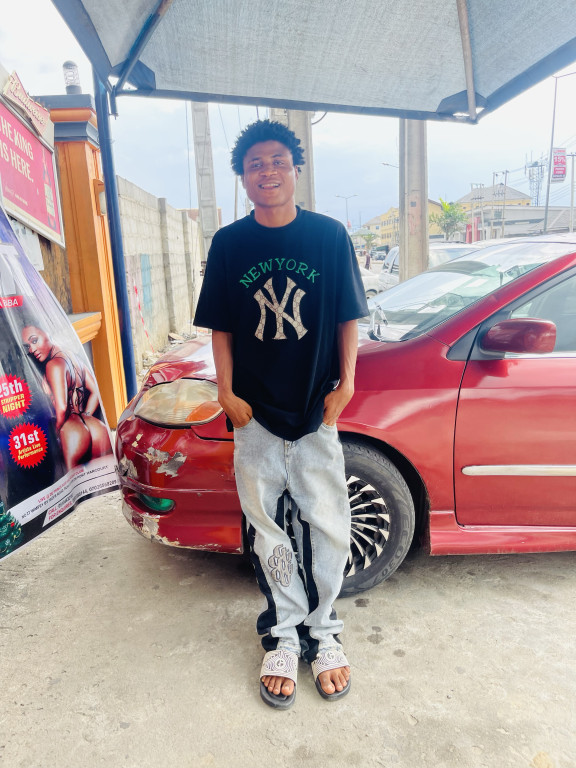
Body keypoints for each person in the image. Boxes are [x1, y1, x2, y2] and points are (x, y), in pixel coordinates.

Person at [194, 119, 368, 709]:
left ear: (295, 169)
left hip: (317, 407)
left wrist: (347, 384)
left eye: (276, 161)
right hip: (254, 414)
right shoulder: (229, 243)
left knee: (328, 523)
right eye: (255, 165)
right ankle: (283, 636)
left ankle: (324, 631)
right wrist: (226, 392)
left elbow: (347, 315)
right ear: (243, 178)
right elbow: (220, 326)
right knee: (266, 527)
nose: (267, 172)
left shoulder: (328, 236)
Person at [20, 320, 111, 470]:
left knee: (73, 483)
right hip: (97, 428)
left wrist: (56, 434)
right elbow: (94, 390)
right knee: (99, 480)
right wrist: (85, 416)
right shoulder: (72, 356)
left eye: (34, 341)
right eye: (28, 346)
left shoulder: (53, 365)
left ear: (48, 333)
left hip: (71, 430)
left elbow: (61, 408)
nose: (32, 349)